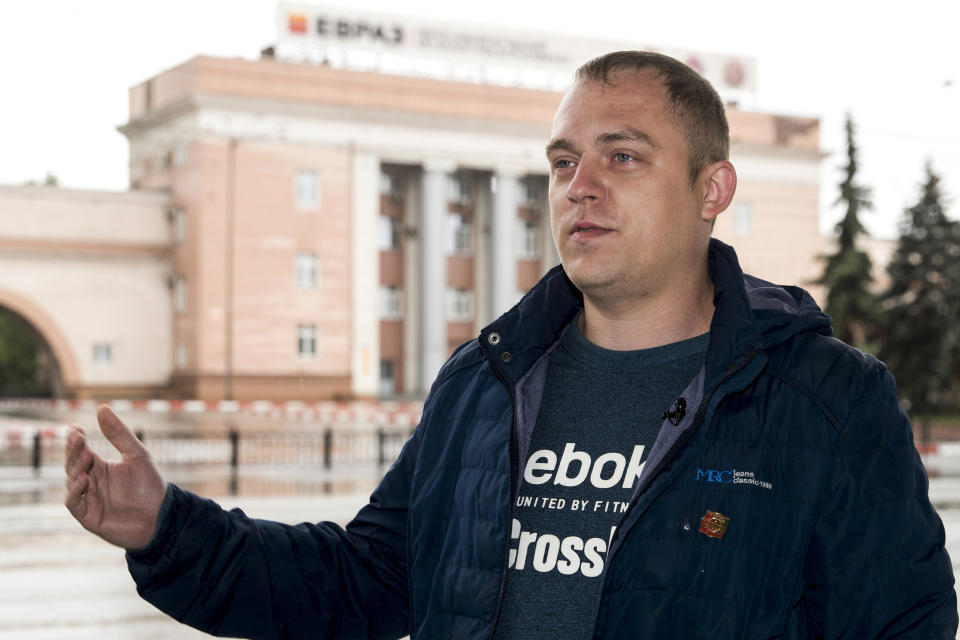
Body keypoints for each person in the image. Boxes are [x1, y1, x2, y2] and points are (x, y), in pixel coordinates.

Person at [64, 51, 957, 639]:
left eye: (624, 156)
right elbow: (364, 581)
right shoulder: (487, 383)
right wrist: (168, 529)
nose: (580, 187)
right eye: (564, 161)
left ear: (712, 187)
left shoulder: (829, 402)